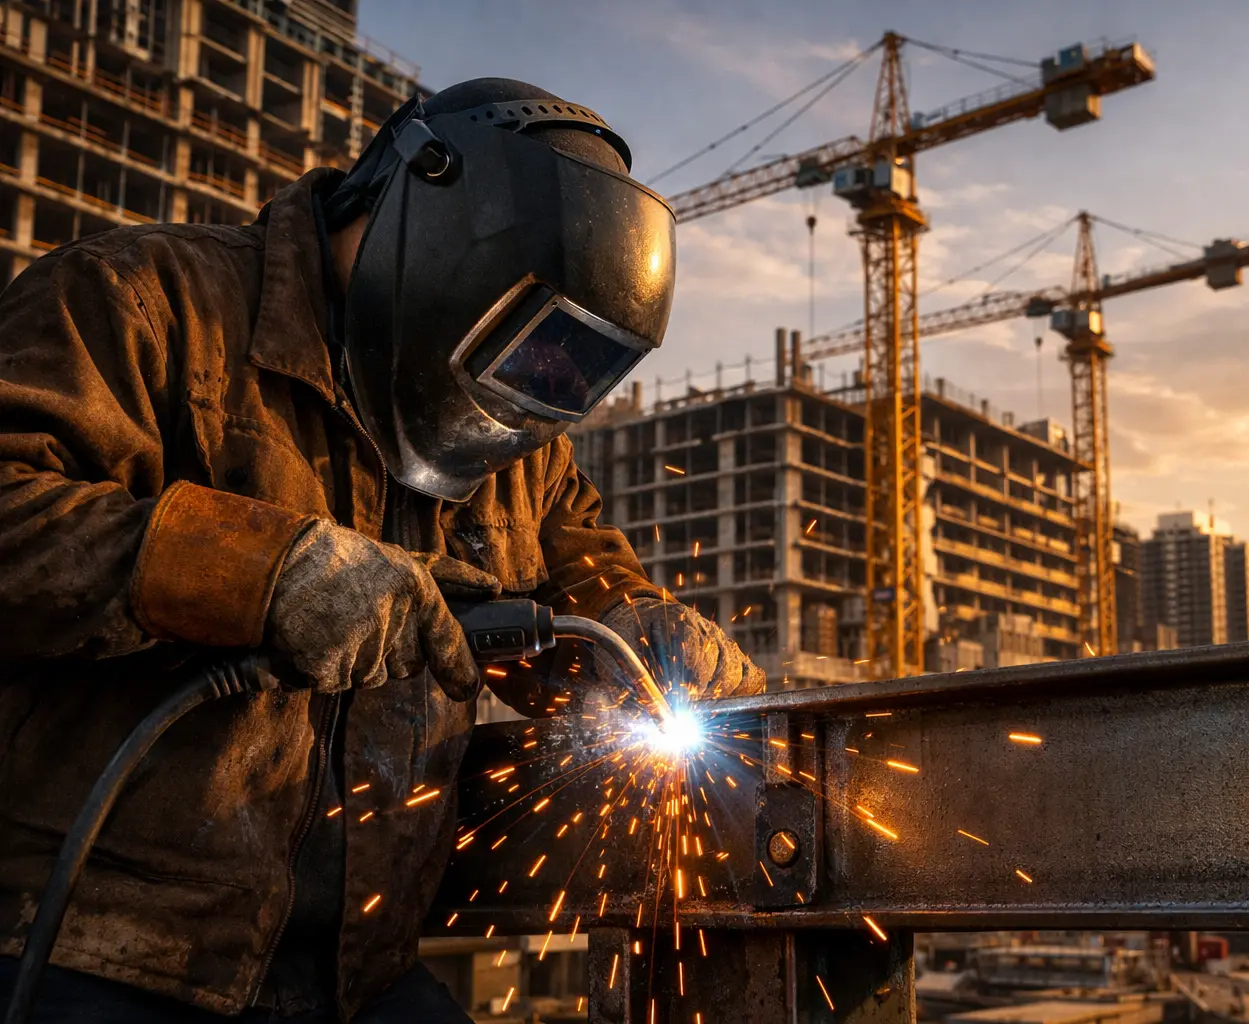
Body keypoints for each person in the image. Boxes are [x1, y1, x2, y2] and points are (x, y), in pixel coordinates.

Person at [0, 78, 764, 1022]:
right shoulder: (145, 302)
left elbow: (588, 596)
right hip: (102, 946)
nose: (522, 393)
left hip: (360, 975)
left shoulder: (516, 446)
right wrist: (258, 574)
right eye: (519, 344)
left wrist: (635, 638)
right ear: (432, 223)